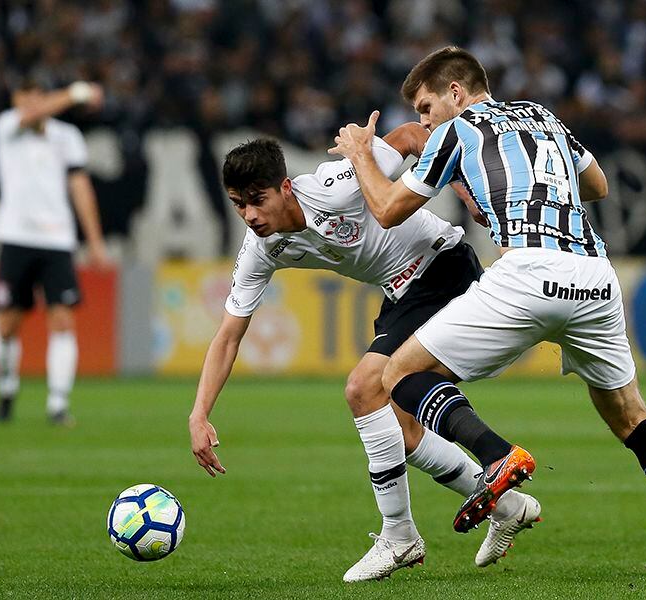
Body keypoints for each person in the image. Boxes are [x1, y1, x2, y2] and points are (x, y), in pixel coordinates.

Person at [331, 46, 646, 581]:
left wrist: (361, 151)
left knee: (397, 374)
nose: (423, 122)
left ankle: (496, 455)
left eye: (427, 107)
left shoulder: (458, 129)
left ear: (457, 92)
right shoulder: (543, 116)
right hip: (594, 275)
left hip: (527, 271)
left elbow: (385, 209)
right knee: (631, 416)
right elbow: (598, 186)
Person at [187, 126, 539, 583]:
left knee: (362, 388)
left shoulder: (337, 184)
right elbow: (229, 336)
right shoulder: (262, 248)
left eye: (258, 199)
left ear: (286, 187)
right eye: (239, 204)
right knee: (401, 432)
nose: (250, 215)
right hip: (401, 293)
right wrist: (200, 414)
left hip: (441, 265)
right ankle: (508, 505)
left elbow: (414, 135)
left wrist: (467, 189)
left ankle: (400, 536)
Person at [0, 78, 110, 426]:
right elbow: (32, 115)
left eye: (35, 97)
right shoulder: (6, 127)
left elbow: (80, 186)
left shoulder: (66, 136)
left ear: (44, 97)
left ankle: (58, 403)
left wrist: (95, 240)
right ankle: (8, 385)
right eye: (22, 99)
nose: (29, 105)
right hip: (15, 236)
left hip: (57, 241)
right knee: (8, 325)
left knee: (62, 319)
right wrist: (76, 93)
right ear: (15, 101)